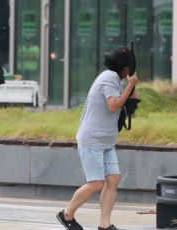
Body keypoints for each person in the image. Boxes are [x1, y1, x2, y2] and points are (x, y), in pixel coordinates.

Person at [56, 46, 138, 230]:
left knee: (113, 179)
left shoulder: (117, 79)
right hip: (92, 140)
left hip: (106, 141)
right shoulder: (109, 78)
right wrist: (130, 84)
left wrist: (131, 91)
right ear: (125, 67)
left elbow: (124, 106)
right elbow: (113, 106)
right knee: (96, 184)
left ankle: (104, 224)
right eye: (131, 66)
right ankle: (66, 214)